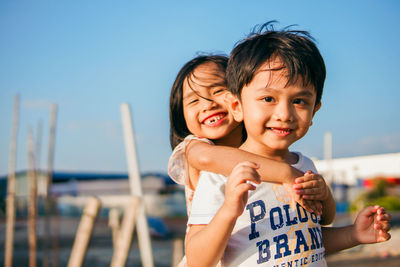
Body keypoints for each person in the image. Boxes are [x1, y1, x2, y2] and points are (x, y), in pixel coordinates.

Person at [185, 22, 391, 267]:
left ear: (315, 110)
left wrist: (352, 234)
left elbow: (309, 234)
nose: (284, 113)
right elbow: (198, 260)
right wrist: (229, 209)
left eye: (300, 101)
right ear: (237, 107)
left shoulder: (304, 164)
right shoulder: (221, 176)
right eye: (268, 98)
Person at [168, 54, 333, 266]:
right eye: (194, 100)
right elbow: (208, 158)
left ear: (239, 100)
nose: (208, 105)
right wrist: (287, 174)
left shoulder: (271, 153)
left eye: (218, 91)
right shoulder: (195, 147)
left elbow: (302, 234)